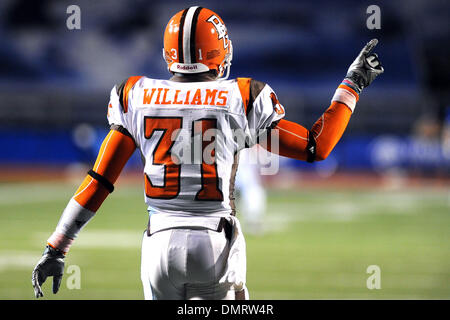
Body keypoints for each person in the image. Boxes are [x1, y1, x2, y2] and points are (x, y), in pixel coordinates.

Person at [31, 6, 383, 300]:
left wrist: (57, 248)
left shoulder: (135, 94)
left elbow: (99, 181)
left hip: (158, 246)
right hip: (214, 243)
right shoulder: (241, 96)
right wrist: (352, 86)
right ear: (218, 51)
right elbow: (315, 147)